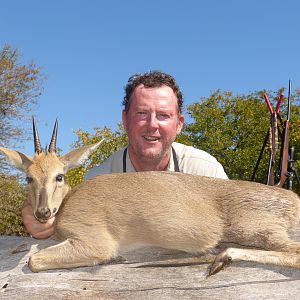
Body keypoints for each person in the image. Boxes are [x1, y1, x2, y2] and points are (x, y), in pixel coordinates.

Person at [22, 71, 228, 239]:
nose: (152, 125)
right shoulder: (97, 179)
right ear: (125, 120)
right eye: (141, 114)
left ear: (179, 124)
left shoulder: (206, 170)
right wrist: (38, 218)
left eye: (164, 115)